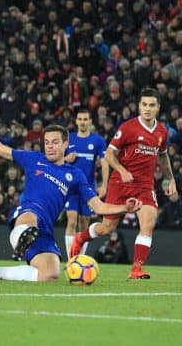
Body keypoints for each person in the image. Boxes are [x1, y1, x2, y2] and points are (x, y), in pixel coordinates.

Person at [0, 111, 141, 282]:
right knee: (30, 218)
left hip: (45, 228)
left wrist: (124, 208)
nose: (50, 147)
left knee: (50, 274)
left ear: (65, 144)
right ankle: (22, 236)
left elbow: (99, 207)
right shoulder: (33, 158)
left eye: (54, 142)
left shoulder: (75, 175)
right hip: (27, 212)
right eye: (46, 142)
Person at [70, 88, 177, 279]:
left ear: (158, 108)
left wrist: (170, 179)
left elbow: (163, 155)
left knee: (148, 222)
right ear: (139, 106)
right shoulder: (128, 127)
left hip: (144, 185)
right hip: (120, 183)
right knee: (107, 228)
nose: (147, 109)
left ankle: (136, 268)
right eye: (144, 104)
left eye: (151, 105)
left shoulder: (161, 131)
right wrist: (122, 170)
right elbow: (109, 155)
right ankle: (80, 238)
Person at [63, 109, 109, 259]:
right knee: (71, 220)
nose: (82, 122)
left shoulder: (98, 141)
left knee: (84, 224)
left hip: (88, 188)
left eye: (85, 119)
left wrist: (104, 185)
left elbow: (105, 163)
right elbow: (54, 159)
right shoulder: (69, 139)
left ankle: (79, 259)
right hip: (70, 187)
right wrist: (65, 159)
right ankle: (71, 260)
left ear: (90, 122)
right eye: (80, 119)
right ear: (76, 121)